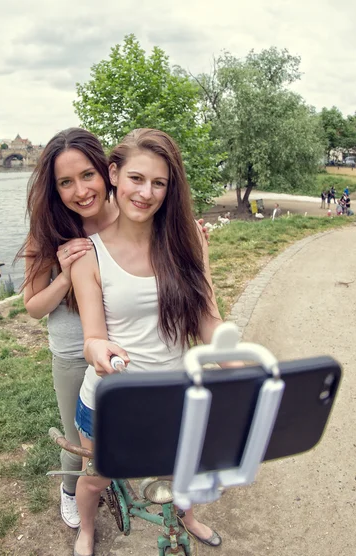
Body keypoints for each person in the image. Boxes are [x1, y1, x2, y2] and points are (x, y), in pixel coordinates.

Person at [17, 128, 209, 530]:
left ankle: (177, 509)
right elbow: (33, 307)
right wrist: (67, 275)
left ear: (108, 173)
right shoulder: (51, 229)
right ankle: (72, 493)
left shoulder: (131, 212)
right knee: (80, 445)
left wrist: (189, 239)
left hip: (134, 345)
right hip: (76, 348)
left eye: (87, 175)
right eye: (65, 183)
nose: (80, 190)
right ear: (54, 189)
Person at [70, 129, 224, 556]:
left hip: (175, 392)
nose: (146, 193)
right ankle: (85, 530)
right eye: (137, 178)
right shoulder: (87, 254)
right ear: (114, 174)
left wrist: (235, 360)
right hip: (112, 399)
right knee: (96, 476)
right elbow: (93, 338)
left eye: (159, 183)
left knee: (184, 469)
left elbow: (207, 317)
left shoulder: (187, 241)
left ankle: (188, 517)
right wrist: (100, 352)